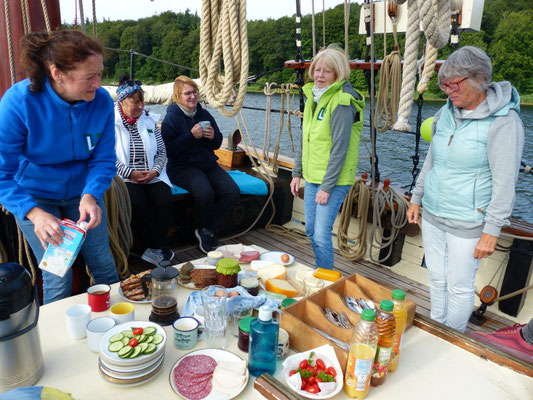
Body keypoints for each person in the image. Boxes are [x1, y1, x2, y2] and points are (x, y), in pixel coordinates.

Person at [406, 46, 525, 332]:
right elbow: (431, 161)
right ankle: (437, 329)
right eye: (444, 84)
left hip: (469, 222)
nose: (448, 91)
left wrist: (492, 230)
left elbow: (505, 183)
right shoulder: (445, 115)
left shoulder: (504, 123)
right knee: (436, 277)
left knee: (459, 287)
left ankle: (451, 337)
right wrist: (416, 198)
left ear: (479, 79)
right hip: (434, 214)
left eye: (454, 83)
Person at [0, 30, 119, 304]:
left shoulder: (100, 101)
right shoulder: (18, 103)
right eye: (90, 77)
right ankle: (57, 341)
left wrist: (91, 195)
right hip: (36, 198)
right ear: (58, 73)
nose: (98, 84)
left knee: (103, 263)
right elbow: (1, 175)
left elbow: (103, 160)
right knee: (57, 273)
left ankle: (122, 325)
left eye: (100, 74)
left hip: (82, 193)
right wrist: (34, 213)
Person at [290, 45, 365, 270]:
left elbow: (339, 148)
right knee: (311, 230)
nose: (320, 76)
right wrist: (296, 173)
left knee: (321, 235)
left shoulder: (342, 102)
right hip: (313, 176)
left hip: (332, 180)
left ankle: (325, 280)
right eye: (317, 70)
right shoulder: (314, 97)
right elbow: (306, 139)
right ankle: (322, 272)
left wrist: (327, 187)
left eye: (327, 71)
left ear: (338, 73)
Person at [161, 76, 240, 253]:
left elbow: (218, 143)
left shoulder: (204, 114)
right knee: (205, 192)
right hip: (182, 167)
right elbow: (168, 150)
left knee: (232, 191)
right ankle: (201, 230)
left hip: (207, 164)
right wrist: (191, 136)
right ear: (177, 96)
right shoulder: (171, 118)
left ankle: (207, 230)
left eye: (194, 92)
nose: (192, 96)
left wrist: (214, 138)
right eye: (187, 93)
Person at [114, 76, 174, 267]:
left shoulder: (147, 120)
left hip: (152, 174)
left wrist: (155, 172)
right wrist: (129, 172)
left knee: (164, 200)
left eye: (142, 102)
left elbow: (162, 151)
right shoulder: (109, 122)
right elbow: (105, 156)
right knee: (137, 204)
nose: (140, 107)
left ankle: (155, 249)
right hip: (125, 177)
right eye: (135, 102)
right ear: (122, 101)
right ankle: (143, 249)